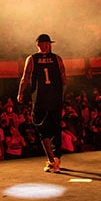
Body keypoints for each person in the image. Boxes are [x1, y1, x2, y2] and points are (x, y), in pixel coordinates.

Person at [17, 33, 66, 173]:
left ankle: (51, 161)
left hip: (40, 100)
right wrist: (60, 95)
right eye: (48, 43)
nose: (48, 45)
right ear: (46, 44)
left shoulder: (32, 59)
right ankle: (57, 159)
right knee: (56, 129)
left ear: (37, 45)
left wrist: (20, 93)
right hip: (54, 100)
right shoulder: (57, 58)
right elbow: (64, 79)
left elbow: (25, 78)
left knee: (42, 130)